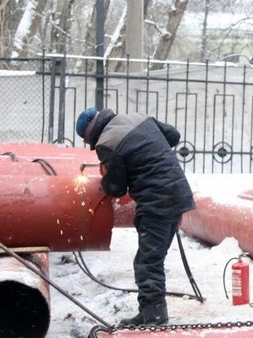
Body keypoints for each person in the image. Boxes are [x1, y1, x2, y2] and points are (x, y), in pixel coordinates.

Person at [75, 107, 196, 326]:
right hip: (177, 192)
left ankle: (154, 316)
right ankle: (152, 311)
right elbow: (173, 135)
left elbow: (117, 188)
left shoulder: (107, 142)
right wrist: (148, 153)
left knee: (147, 261)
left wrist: (106, 176)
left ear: (90, 134)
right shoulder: (138, 117)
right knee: (153, 257)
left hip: (157, 200)